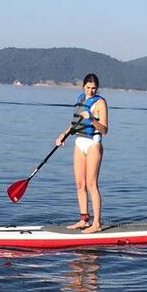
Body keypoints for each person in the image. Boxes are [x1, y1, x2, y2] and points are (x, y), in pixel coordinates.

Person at [56, 73, 109, 233]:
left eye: (94, 88)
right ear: (83, 87)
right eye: (88, 88)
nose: (90, 91)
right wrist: (63, 135)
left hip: (93, 144)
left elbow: (105, 130)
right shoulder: (80, 98)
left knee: (92, 184)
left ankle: (96, 224)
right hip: (79, 142)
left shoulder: (100, 103)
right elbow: (75, 125)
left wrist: (92, 119)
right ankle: (84, 220)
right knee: (80, 184)